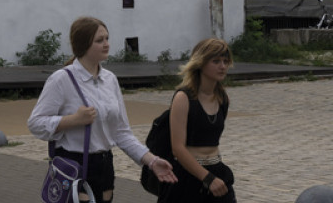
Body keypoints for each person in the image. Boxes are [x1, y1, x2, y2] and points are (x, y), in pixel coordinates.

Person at [28, 16, 177, 201]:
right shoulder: (62, 79)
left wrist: (152, 161)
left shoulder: (110, 79)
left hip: (105, 165)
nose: (106, 44)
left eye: (107, 38)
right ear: (83, 45)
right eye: (99, 40)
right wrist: (72, 120)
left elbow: (122, 133)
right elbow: (35, 123)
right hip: (74, 164)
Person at [161, 38, 236, 202]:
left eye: (225, 61)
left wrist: (214, 176)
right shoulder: (183, 97)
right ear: (201, 63)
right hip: (188, 176)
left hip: (217, 170)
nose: (222, 66)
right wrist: (207, 178)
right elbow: (178, 148)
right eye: (216, 61)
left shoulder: (222, 98)